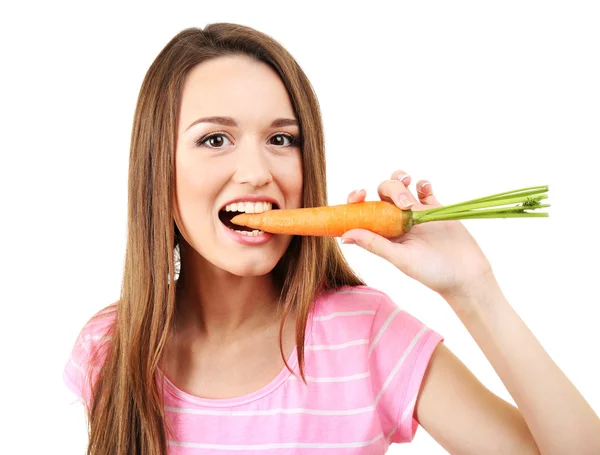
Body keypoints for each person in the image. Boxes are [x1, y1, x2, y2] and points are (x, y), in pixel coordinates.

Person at [63, 23, 600, 454]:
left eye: (281, 139)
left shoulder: (365, 334)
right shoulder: (108, 349)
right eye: (215, 138)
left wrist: (476, 291)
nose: (255, 170)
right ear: (158, 169)